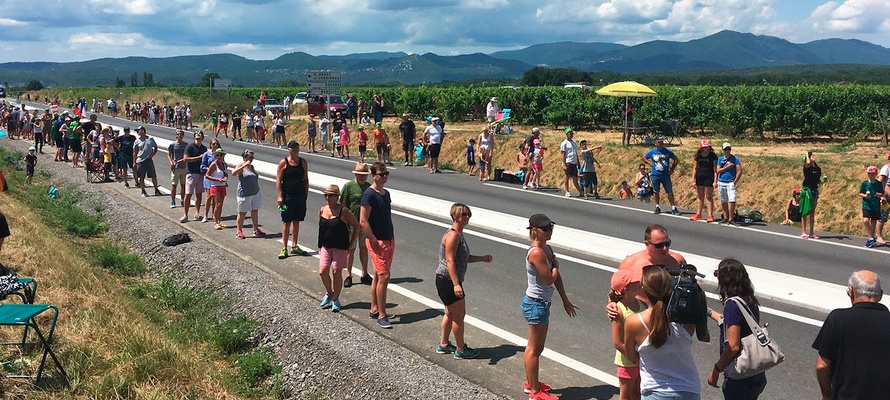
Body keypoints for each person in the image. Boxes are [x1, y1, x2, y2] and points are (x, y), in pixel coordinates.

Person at [623, 265, 700, 400]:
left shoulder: (634, 322)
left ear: (644, 290)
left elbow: (631, 356)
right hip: (689, 390)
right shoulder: (685, 319)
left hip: (655, 391)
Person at [522, 214, 577, 400]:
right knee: (534, 349)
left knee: (534, 348)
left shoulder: (547, 248)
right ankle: (534, 392)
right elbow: (549, 279)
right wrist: (556, 267)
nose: (550, 231)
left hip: (540, 303)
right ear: (535, 231)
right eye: (545, 229)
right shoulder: (537, 252)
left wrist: (565, 300)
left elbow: (556, 280)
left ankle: (532, 383)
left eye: (551, 227)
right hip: (536, 304)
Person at [813, 270, 890, 400]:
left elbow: (822, 365)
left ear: (851, 292)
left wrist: (827, 394)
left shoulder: (838, 318)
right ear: (881, 295)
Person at [436, 203, 492, 359]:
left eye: (469, 214)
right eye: (464, 215)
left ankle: (444, 344)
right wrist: (456, 284)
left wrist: (482, 259)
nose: (467, 217)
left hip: (445, 279)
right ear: (455, 216)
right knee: (459, 316)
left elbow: (463, 258)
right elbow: (450, 261)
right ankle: (461, 349)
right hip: (448, 280)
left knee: (449, 313)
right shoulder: (453, 235)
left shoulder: (458, 234)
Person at [706, 258, 767, 400]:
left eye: (717, 274)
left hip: (740, 378)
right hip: (755, 373)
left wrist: (716, 369)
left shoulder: (733, 305)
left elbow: (733, 346)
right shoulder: (749, 300)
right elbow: (732, 324)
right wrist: (709, 312)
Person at [360, 162, 396, 329]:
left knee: (378, 275)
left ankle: (375, 308)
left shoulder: (386, 194)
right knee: (384, 276)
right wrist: (373, 239)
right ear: (374, 176)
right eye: (382, 174)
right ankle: (382, 314)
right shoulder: (369, 195)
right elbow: (363, 220)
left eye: (386, 173)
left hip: (388, 239)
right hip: (378, 240)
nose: (385, 176)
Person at [317, 184, 360, 313]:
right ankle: (329, 292)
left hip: (340, 247)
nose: (327, 198)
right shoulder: (322, 210)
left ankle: (336, 299)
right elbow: (322, 229)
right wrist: (319, 245)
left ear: (337, 197)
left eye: (330, 195)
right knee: (323, 271)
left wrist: (351, 243)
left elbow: (356, 225)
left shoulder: (343, 211)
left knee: (336, 272)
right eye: (326, 195)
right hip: (325, 245)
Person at [610, 269, 645, 400]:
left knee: (638, 393)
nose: (639, 283)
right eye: (634, 282)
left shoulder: (642, 304)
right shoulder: (618, 309)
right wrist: (634, 357)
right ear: (625, 290)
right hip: (626, 360)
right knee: (626, 395)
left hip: (641, 358)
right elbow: (617, 342)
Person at [340, 162, 374, 288]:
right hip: (351, 224)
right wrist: (344, 222)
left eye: (364, 175)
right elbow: (343, 205)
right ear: (355, 174)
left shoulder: (368, 187)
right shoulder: (348, 186)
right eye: (360, 174)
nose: (362, 177)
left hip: (364, 224)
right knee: (351, 250)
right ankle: (348, 274)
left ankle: (365, 273)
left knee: (364, 249)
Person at [277, 141, 310, 258]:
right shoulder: (284, 163)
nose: (295, 149)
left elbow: (306, 178)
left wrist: (306, 193)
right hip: (288, 195)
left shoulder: (303, 162)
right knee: (286, 221)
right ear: (289, 149)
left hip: (300, 195)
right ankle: (284, 247)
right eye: (293, 148)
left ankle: (295, 245)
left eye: (297, 147)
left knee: (297, 220)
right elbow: (279, 180)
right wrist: (280, 195)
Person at [619, 224, 687, 273]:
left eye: (667, 243)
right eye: (659, 245)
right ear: (647, 244)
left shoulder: (678, 261)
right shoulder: (630, 264)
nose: (665, 248)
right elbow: (618, 291)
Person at [232, 149, 266, 240]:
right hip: (244, 194)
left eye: (252, 157)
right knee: (242, 213)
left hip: (255, 192)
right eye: (249, 157)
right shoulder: (241, 165)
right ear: (245, 157)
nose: (251, 159)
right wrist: (243, 166)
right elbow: (234, 173)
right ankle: (239, 231)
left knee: (255, 211)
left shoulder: (252, 167)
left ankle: (256, 229)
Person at [643, 137, 679, 214]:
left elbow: (676, 159)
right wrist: (649, 163)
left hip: (665, 174)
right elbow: (644, 157)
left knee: (669, 191)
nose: (661, 144)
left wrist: (672, 169)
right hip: (655, 174)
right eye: (659, 142)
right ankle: (657, 206)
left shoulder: (667, 151)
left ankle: (673, 207)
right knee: (656, 191)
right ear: (655, 143)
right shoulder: (653, 152)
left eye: (662, 142)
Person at [180, 130, 208, 223]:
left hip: (201, 173)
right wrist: (198, 157)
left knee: (199, 194)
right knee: (188, 194)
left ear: (203, 137)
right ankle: (185, 215)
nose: (198, 134)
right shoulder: (190, 146)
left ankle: (197, 213)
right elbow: (185, 159)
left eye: (200, 133)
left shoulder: (204, 148)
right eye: (196, 133)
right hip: (191, 173)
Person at [691, 140, 717, 222]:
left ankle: (710, 215)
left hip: (709, 177)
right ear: (701, 148)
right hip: (699, 176)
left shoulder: (712, 156)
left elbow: (715, 169)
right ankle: (699, 213)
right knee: (700, 196)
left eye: (708, 147)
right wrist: (693, 180)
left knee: (708, 196)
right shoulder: (698, 156)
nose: (707, 149)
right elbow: (695, 168)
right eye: (705, 147)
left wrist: (715, 181)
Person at [717, 142, 743, 225]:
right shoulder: (720, 159)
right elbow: (718, 170)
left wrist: (734, 182)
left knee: (732, 200)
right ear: (723, 150)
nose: (727, 151)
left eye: (728, 149)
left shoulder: (735, 159)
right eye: (725, 149)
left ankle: (731, 218)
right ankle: (725, 217)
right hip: (721, 181)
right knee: (723, 200)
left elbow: (740, 171)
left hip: (730, 182)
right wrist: (728, 167)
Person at [132, 126, 162, 198]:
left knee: (153, 175)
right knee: (141, 176)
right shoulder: (137, 141)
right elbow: (135, 152)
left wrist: (152, 155)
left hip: (148, 160)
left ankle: (156, 189)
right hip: (140, 160)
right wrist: (134, 162)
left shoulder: (150, 139)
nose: (138, 132)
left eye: (138, 131)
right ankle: (143, 190)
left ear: (143, 130)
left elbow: (155, 147)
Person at [860, 166, 884, 248]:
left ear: (876, 174)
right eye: (869, 173)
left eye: (872, 174)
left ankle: (871, 239)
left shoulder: (878, 184)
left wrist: (879, 195)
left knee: (873, 222)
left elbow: (882, 193)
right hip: (866, 204)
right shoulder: (865, 183)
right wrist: (865, 196)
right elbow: (860, 193)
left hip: (875, 205)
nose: (870, 175)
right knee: (866, 220)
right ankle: (871, 238)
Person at [205, 147, 229, 230]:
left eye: (221, 155)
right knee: (217, 204)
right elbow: (207, 175)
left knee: (221, 204)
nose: (219, 156)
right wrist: (217, 179)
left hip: (222, 185)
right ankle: (215, 222)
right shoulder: (213, 165)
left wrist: (225, 178)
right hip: (215, 185)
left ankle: (219, 221)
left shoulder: (224, 165)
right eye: (218, 155)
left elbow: (226, 174)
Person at [801, 151, 822, 239]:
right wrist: (806, 154)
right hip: (807, 190)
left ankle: (811, 232)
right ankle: (803, 232)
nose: (812, 157)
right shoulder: (807, 167)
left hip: (814, 190)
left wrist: (821, 182)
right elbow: (808, 163)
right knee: (805, 211)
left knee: (812, 211)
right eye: (810, 156)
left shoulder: (817, 168)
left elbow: (817, 179)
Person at [168, 129, 188, 208]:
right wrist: (171, 163)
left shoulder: (186, 145)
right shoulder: (172, 145)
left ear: (183, 136)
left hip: (184, 167)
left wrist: (183, 160)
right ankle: (173, 201)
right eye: (178, 134)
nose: (179, 136)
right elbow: (169, 154)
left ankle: (182, 200)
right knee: (174, 185)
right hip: (175, 168)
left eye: (181, 134)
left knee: (183, 185)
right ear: (176, 135)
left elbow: (187, 156)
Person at [560, 128, 582, 197]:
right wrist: (564, 164)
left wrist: (578, 162)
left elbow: (575, 153)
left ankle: (581, 191)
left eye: (572, 134)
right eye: (570, 134)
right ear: (567, 134)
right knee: (567, 176)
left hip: (574, 162)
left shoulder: (574, 142)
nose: (571, 135)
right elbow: (562, 154)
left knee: (575, 177)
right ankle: (567, 191)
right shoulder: (564, 143)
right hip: (568, 162)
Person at [875, 151, 890, 245]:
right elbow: (880, 182)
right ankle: (879, 236)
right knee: (883, 216)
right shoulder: (886, 169)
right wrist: (881, 195)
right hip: (885, 197)